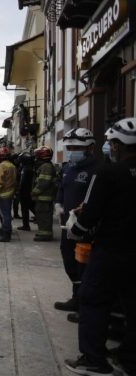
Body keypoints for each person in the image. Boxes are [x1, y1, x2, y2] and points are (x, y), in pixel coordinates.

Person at [64, 118, 136, 375]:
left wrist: (77, 231)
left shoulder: (107, 172)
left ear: (118, 145)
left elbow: (92, 211)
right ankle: (129, 358)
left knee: (94, 299)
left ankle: (94, 360)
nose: (110, 148)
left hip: (111, 248)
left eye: (111, 143)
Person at [53, 128, 101, 315]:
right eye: (70, 147)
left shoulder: (97, 170)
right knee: (69, 260)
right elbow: (62, 189)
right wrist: (58, 204)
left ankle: (85, 305)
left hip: (87, 227)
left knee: (85, 264)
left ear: (90, 148)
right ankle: (76, 297)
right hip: (68, 225)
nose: (72, 150)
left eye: (77, 147)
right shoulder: (68, 168)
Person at [31, 146, 57, 241]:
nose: (35, 158)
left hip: (44, 197)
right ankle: (42, 232)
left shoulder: (46, 167)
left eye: (36, 156)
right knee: (41, 216)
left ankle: (45, 235)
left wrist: (34, 192)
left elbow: (43, 183)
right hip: (43, 197)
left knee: (44, 216)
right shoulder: (46, 166)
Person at [0, 146, 17, 242]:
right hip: (10, 192)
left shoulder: (1, 166)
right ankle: (5, 230)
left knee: (4, 215)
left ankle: (6, 234)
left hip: (3, 194)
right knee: (7, 214)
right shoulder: (12, 165)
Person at [17, 152, 35, 231]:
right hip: (29, 192)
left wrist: (19, 190)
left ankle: (26, 225)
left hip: (25, 192)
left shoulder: (25, 169)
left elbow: (22, 181)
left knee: (25, 209)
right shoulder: (30, 168)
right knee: (30, 207)